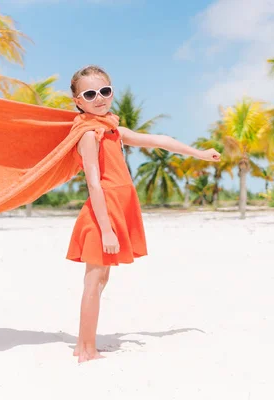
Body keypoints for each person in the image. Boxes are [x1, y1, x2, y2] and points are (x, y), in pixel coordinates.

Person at [64, 65, 220, 363]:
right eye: (90, 94)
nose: (99, 98)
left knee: (100, 281)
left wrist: (199, 153)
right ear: (78, 101)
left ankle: (85, 343)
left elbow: (159, 140)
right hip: (103, 213)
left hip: (118, 208)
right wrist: (107, 229)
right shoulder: (88, 134)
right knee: (93, 282)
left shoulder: (113, 129)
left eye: (105, 91)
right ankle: (85, 350)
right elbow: (94, 184)